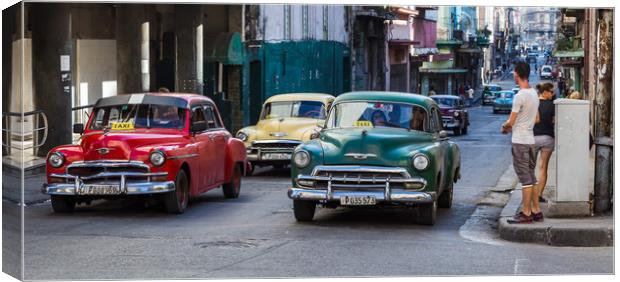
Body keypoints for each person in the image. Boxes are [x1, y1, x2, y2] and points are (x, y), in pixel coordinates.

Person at [502, 62, 540, 224]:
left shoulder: (520, 96)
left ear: (517, 74)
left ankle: (526, 213)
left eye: (514, 72)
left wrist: (505, 127)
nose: (513, 74)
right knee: (531, 176)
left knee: (525, 179)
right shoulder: (534, 93)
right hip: (531, 140)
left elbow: (511, 121)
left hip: (520, 141)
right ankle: (536, 211)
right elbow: (537, 119)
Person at [533, 83, 556, 207]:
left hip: (533, 138)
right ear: (545, 92)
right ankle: (539, 194)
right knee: (543, 168)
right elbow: (555, 121)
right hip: (547, 138)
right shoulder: (553, 106)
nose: (552, 94)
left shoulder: (533, 104)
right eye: (551, 92)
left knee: (530, 168)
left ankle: (530, 194)